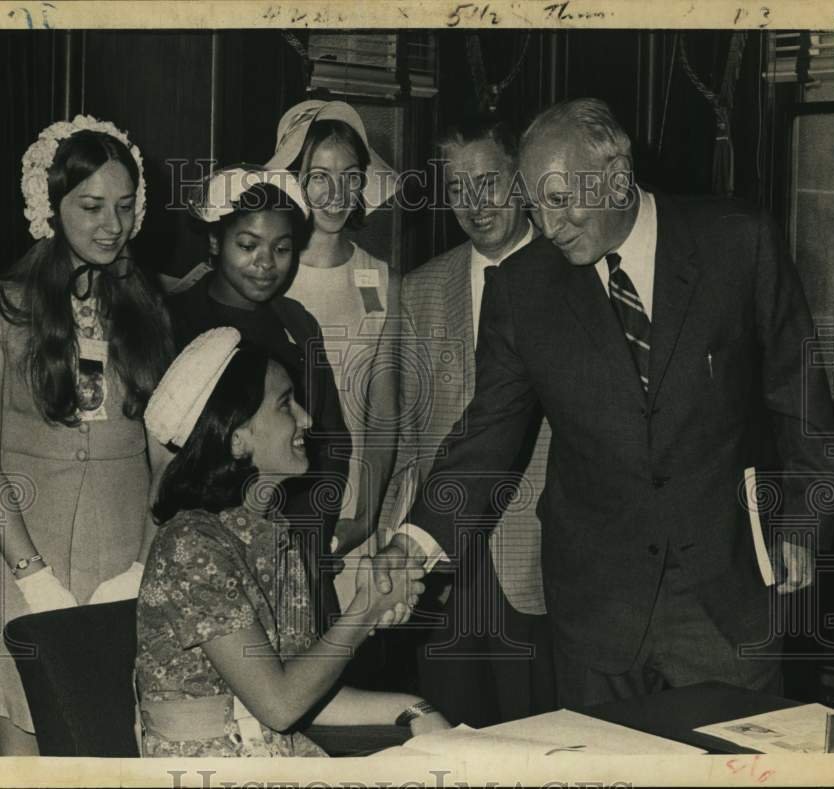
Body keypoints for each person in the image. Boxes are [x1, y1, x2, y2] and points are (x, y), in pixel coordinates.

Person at [375, 98, 834, 709]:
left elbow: (799, 400)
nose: (548, 226)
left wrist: (804, 522)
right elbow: (485, 439)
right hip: (595, 611)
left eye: (562, 200)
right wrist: (411, 544)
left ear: (618, 177)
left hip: (726, 597)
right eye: (536, 206)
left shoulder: (738, 243)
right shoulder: (522, 291)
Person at [0, 116, 175, 754]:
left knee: (112, 747)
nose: (112, 225)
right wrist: (32, 576)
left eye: (125, 207)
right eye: (91, 207)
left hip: (120, 562)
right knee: (29, 759)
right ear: (50, 206)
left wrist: (143, 563)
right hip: (16, 556)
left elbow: (167, 459)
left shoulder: (146, 309)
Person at [135, 327, 450, 757]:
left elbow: (301, 692)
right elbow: (280, 706)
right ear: (236, 436)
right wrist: (365, 610)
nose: (307, 419)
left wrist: (414, 708)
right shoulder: (190, 545)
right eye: (286, 404)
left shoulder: (272, 532)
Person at [378, 117, 555, 726]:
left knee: (534, 738)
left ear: (521, 181)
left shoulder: (573, 276)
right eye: (458, 190)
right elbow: (403, 437)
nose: (475, 205)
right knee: (444, 735)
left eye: (489, 183)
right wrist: (393, 546)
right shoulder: (421, 290)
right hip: (439, 562)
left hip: (538, 557)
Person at [167, 166, 350, 634]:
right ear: (214, 243)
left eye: (282, 248)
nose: (265, 263)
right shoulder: (176, 321)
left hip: (298, 547)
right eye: (247, 246)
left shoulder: (297, 323)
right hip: (212, 556)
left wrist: (310, 533)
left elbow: (331, 440)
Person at [267, 100, 401, 563]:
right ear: (294, 181)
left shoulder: (381, 278)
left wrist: (365, 515)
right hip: (275, 493)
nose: (336, 193)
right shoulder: (267, 273)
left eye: (349, 176)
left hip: (355, 499)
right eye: (319, 176)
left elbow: (384, 414)